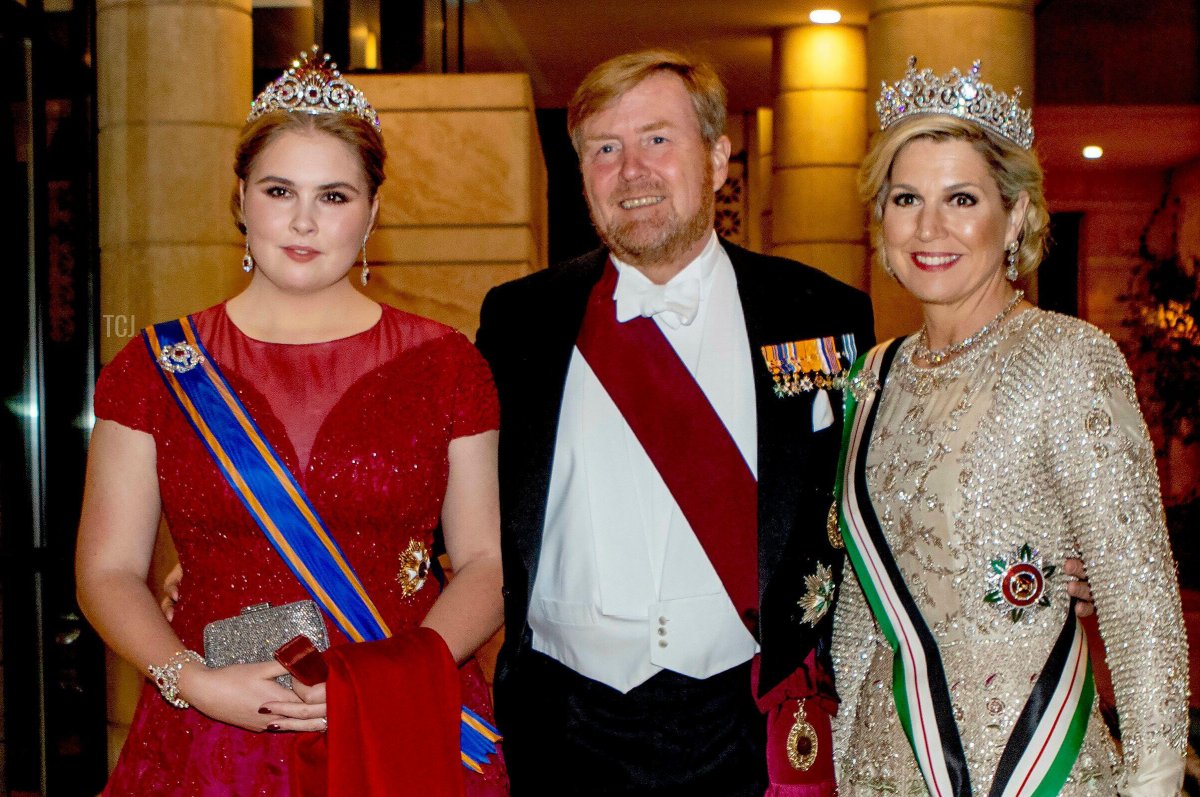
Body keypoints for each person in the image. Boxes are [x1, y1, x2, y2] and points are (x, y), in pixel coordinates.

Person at [75, 48, 506, 796]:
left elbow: (488, 564)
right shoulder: (154, 367)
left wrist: (387, 681)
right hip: (214, 723)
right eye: (280, 190)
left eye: (334, 196)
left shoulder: (448, 364)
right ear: (242, 199)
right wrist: (193, 681)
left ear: (372, 211)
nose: (304, 220)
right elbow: (107, 570)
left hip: (401, 719)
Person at [475, 49, 875, 795]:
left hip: (749, 719)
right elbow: (452, 509)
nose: (631, 171)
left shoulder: (823, 314)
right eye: (605, 149)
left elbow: (882, 496)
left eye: (657, 139)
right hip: (562, 725)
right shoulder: (518, 320)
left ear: (719, 158)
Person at [830, 58, 1188, 796]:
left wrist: (1153, 786)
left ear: (1016, 213)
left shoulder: (1069, 358)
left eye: (961, 198)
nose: (929, 227)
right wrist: (842, 759)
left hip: (1036, 768)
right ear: (882, 219)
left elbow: (1140, 603)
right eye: (906, 198)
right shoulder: (872, 376)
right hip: (885, 768)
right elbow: (863, 611)